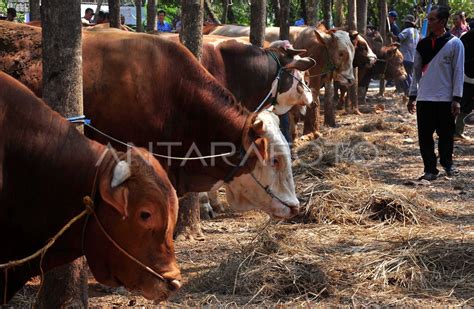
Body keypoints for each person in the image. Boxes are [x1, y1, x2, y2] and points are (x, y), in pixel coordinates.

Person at [407, 5, 465, 180]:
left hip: (445, 99)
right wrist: (412, 96)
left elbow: (458, 72)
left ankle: (448, 165)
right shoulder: (422, 44)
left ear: (442, 21)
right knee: (425, 137)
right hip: (425, 98)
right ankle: (430, 169)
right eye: (428, 19)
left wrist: (456, 99)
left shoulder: (455, 43)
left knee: (446, 135)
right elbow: (415, 73)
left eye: (432, 19)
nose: (429, 23)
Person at [454, 27, 474, 140]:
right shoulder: (466, 36)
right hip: (468, 77)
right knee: (465, 105)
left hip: (464, 75)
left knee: (463, 103)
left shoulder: (465, 36)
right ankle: (457, 131)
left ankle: (454, 130)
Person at [393, 15, 420, 97]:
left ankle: (408, 92)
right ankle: (412, 92)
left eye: (405, 22)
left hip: (405, 57)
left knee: (403, 75)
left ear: (408, 23)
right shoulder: (416, 32)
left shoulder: (407, 30)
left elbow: (398, 38)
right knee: (410, 76)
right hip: (413, 58)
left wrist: (390, 35)